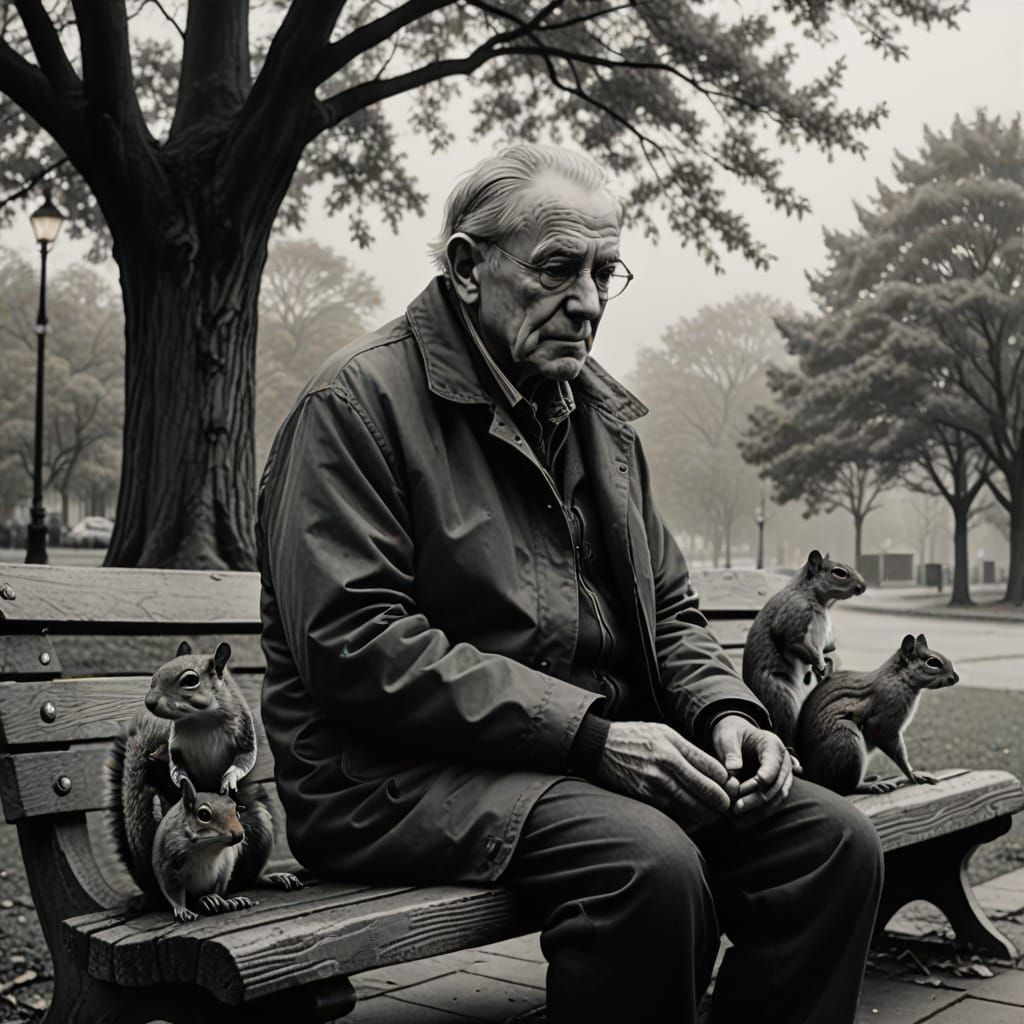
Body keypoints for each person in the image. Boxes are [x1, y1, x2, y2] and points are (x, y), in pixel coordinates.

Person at [256, 143, 884, 1023]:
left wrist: (727, 716)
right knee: (650, 866)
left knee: (832, 846)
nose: (587, 302)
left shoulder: (603, 425)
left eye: (604, 271)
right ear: (469, 268)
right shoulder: (355, 406)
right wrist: (594, 737)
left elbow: (670, 610)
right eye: (557, 269)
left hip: (579, 766)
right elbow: (354, 647)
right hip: (387, 781)